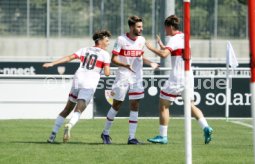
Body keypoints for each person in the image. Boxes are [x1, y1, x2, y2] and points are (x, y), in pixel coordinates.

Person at [145, 15, 213, 144]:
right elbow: (175, 52)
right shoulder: (184, 37)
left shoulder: (174, 38)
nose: (165, 31)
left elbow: (165, 55)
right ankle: (206, 127)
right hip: (188, 76)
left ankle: (163, 136)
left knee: (163, 104)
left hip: (177, 77)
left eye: (165, 28)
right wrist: (161, 45)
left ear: (170, 27)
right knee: (190, 105)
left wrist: (150, 47)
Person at [44, 30, 112, 143]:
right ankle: (69, 125)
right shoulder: (105, 54)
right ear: (100, 41)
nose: (108, 43)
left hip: (78, 79)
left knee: (67, 109)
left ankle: (52, 135)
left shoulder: (84, 49)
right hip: (89, 83)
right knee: (78, 110)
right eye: (107, 40)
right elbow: (107, 73)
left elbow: (69, 57)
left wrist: (52, 63)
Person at [101, 16, 159, 145]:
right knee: (116, 105)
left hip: (137, 77)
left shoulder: (142, 40)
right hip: (123, 76)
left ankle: (131, 137)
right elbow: (113, 59)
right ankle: (105, 133)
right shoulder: (121, 39)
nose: (141, 29)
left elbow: (140, 57)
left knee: (135, 105)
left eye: (141, 26)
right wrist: (125, 65)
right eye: (138, 27)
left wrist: (151, 63)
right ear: (132, 27)